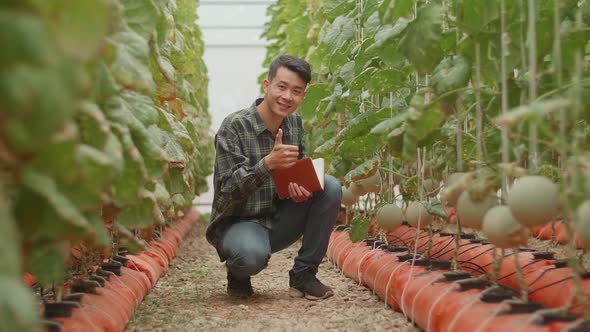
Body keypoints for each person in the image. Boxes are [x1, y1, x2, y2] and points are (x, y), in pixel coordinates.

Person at [206, 55, 342, 300]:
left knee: (330, 186)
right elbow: (227, 191)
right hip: (238, 222)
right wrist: (267, 164)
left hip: (277, 217)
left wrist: (303, 189)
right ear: (267, 86)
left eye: (296, 91)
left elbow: (297, 173)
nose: (287, 97)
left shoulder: (294, 124)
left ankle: (303, 275)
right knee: (249, 257)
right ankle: (238, 274)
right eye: (282, 86)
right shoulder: (234, 126)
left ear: (303, 96)